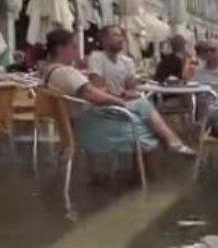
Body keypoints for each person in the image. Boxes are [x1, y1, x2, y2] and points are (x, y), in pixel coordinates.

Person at [44, 29, 194, 159]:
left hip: (81, 120)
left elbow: (91, 91)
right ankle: (154, 175)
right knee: (144, 117)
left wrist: (120, 97)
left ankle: (170, 143)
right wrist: (118, 101)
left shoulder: (51, 71)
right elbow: (91, 93)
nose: (77, 51)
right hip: (91, 123)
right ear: (61, 48)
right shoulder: (65, 72)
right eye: (74, 47)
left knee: (142, 112)